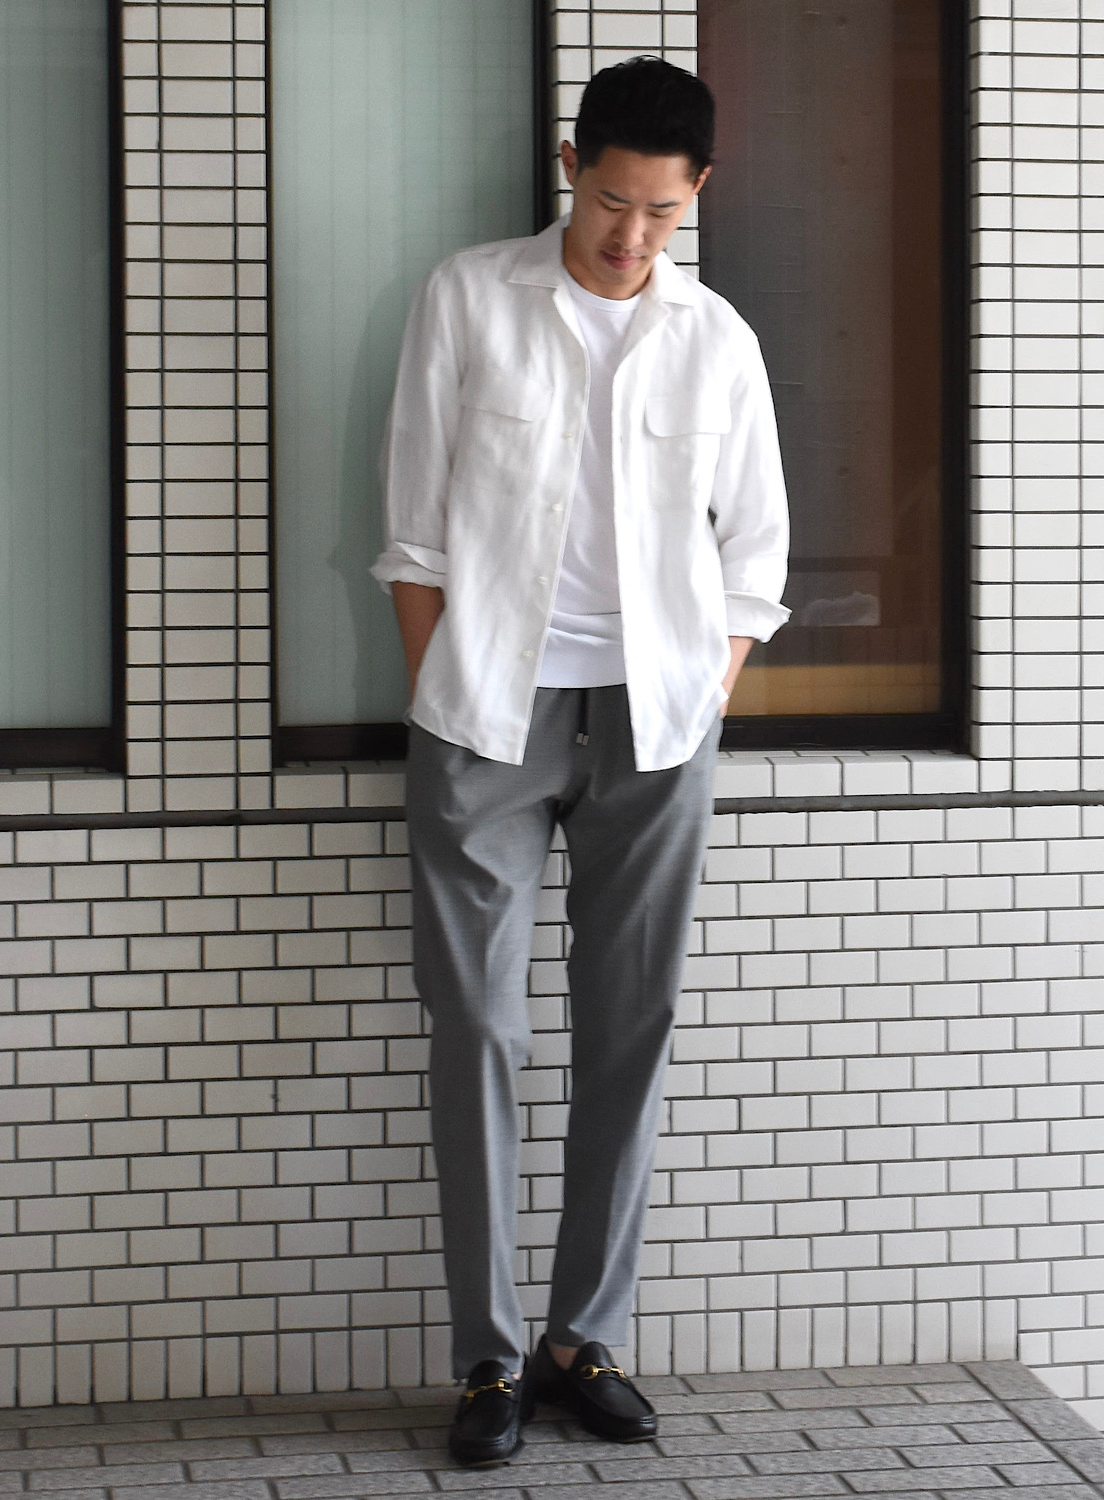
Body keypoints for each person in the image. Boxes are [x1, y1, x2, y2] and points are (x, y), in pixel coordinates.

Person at [371, 55, 790, 1466]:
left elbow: (756, 556)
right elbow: (412, 529)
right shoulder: (469, 298)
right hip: (487, 712)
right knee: (479, 1028)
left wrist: (704, 691)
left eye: (662, 212)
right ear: (570, 169)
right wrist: (441, 684)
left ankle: (581, 1338)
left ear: (698, 192)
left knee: (631, 1026)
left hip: (657, 724)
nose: (631, 236)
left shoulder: (717, 339)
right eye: (613, 203)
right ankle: (489, 1360)